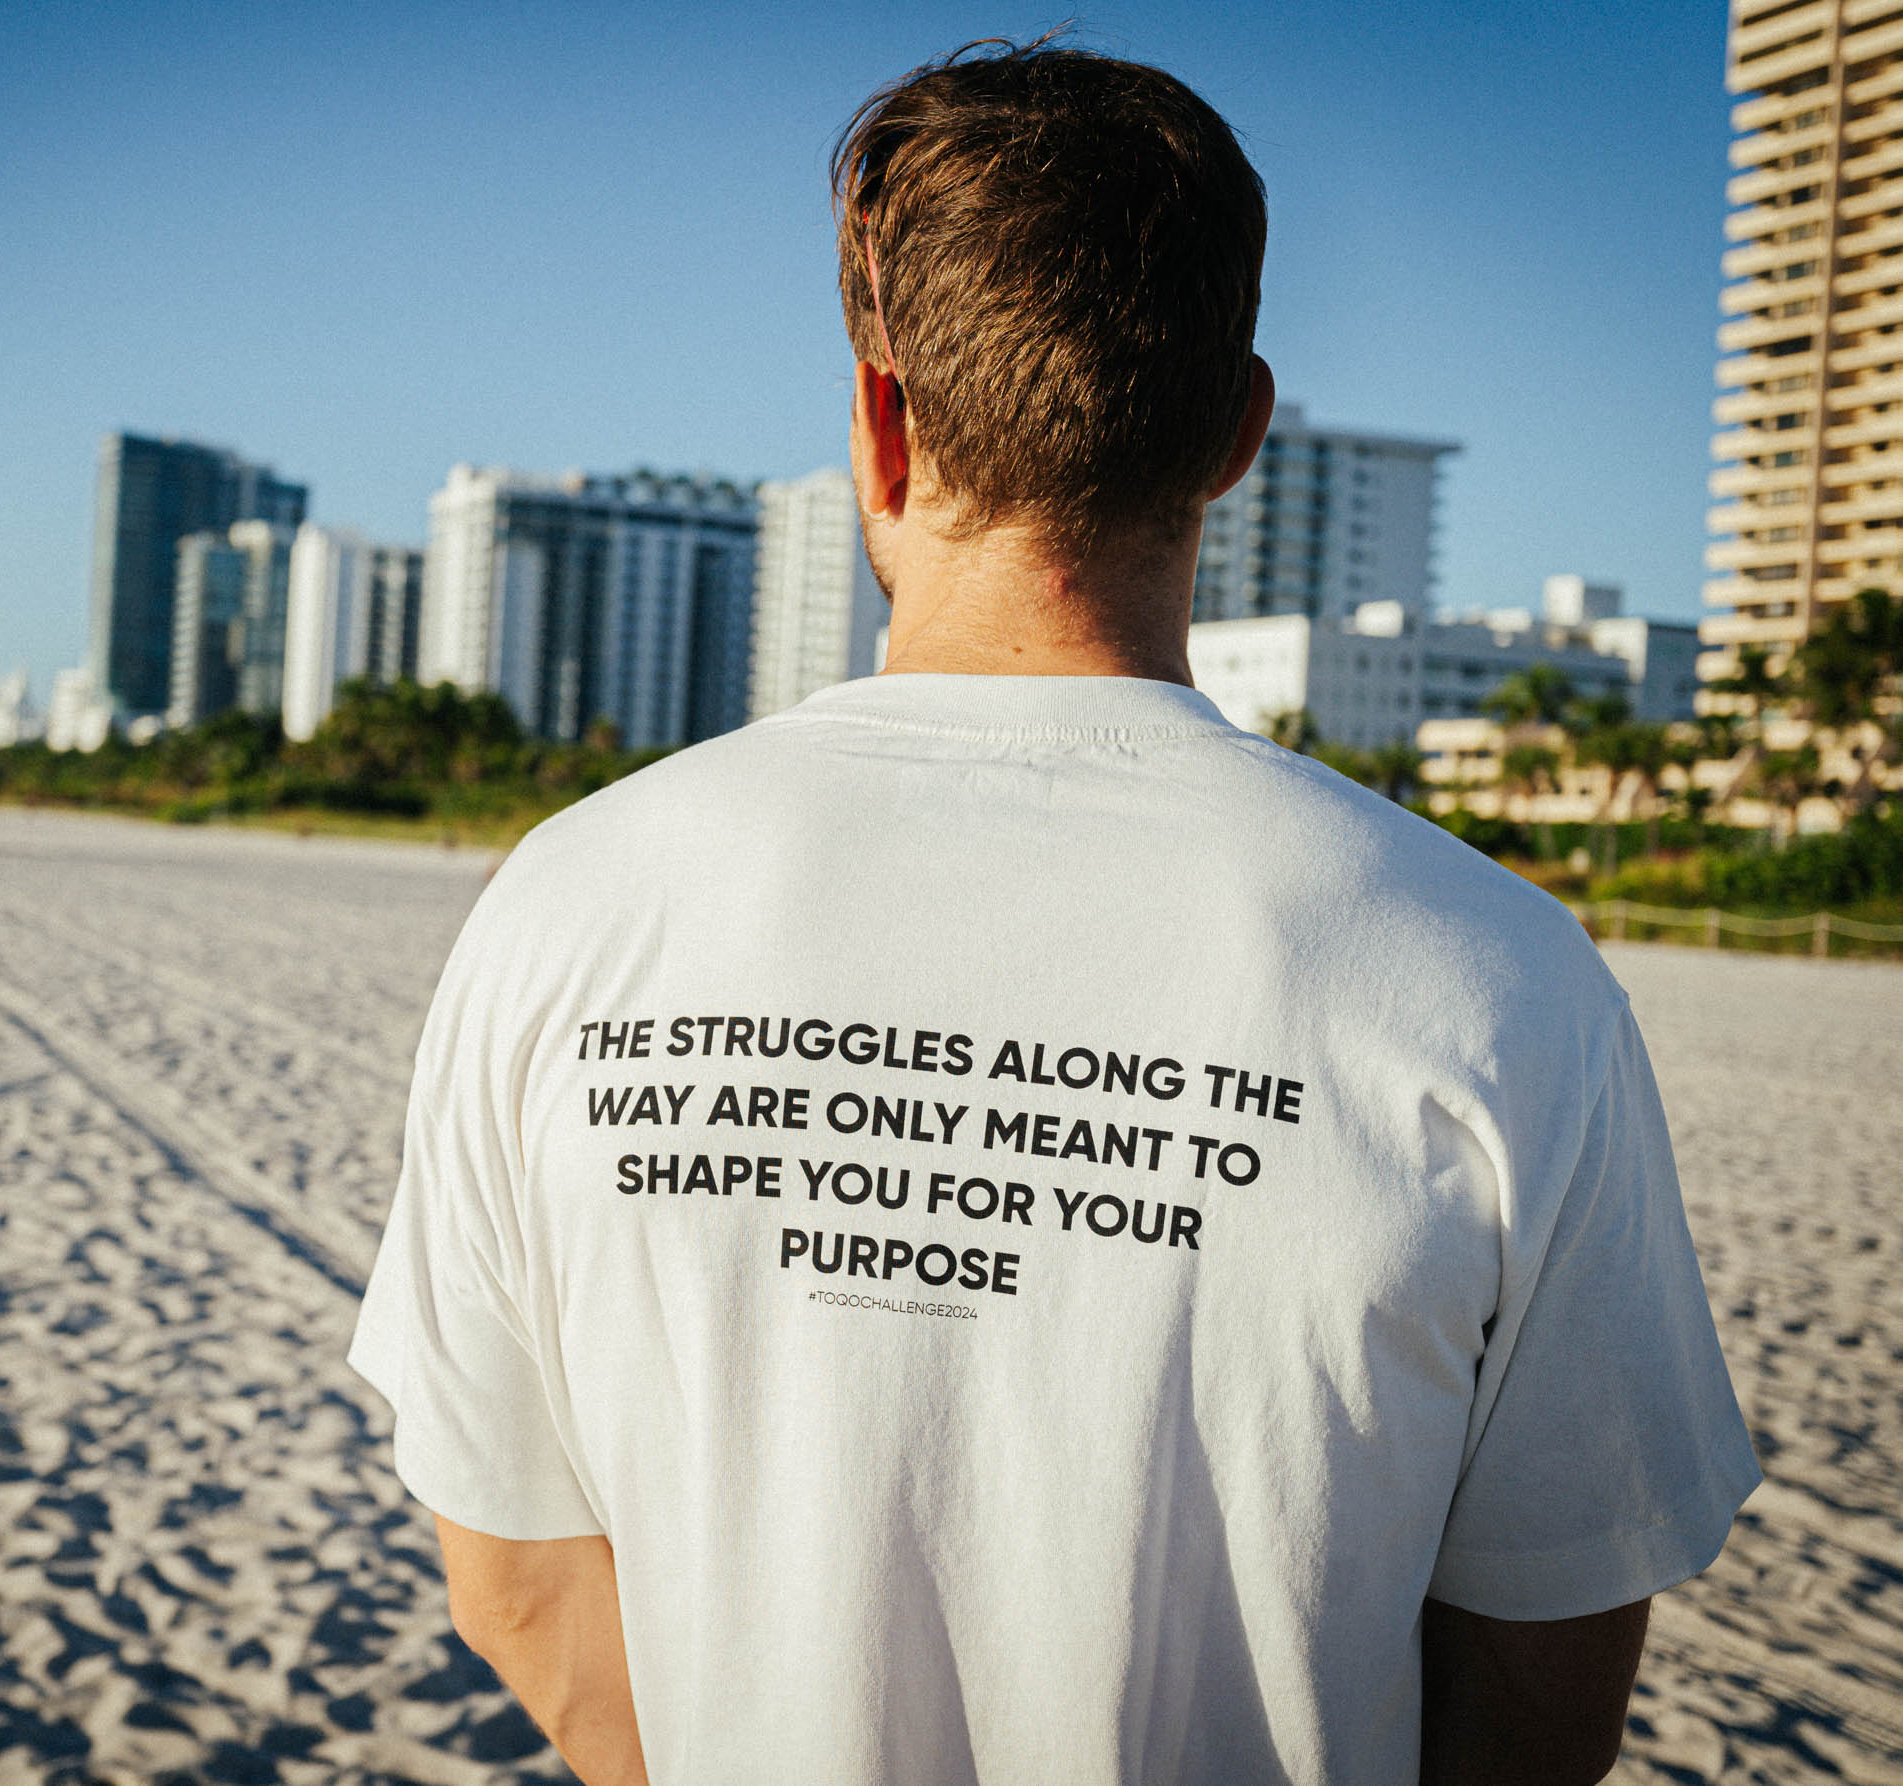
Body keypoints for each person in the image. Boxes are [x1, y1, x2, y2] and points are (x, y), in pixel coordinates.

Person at [350, 35, 1757, 1786]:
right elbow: (1544, 1683)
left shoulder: (569, 908)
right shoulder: (1499, 979)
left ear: (881, 420)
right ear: (1240, 433)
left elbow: (519, 1587)